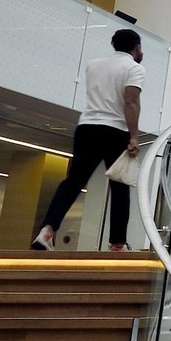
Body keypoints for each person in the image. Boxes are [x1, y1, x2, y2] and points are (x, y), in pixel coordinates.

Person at [33, 28, 143, 252]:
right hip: (115, 130)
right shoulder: (134, 68)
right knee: (120, 187)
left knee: (73, 182)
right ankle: (117, 245)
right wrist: (133, 135)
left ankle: (47, 232)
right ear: (137, 47)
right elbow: (130, 102)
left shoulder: (93, 64)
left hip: (87, 127)